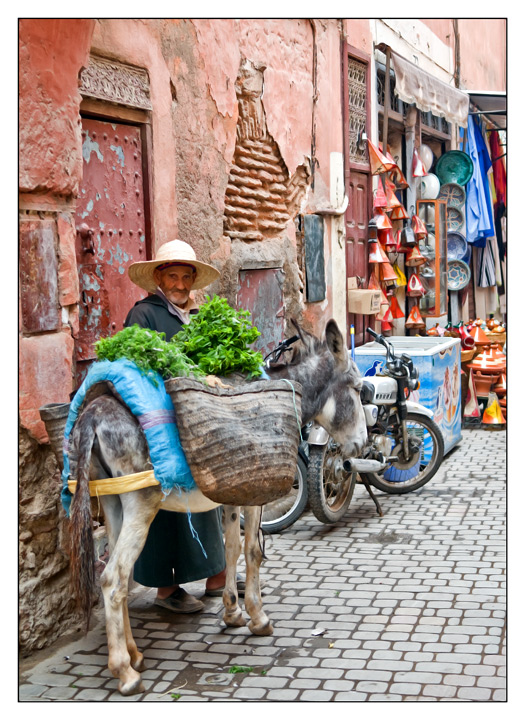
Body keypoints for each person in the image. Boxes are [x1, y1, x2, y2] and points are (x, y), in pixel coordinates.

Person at [125, 239, 243, 612]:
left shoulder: (197, 315)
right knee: (161, 501)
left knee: (203, 494)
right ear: (159, 277)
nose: (179, 284)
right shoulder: (143, 314)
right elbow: (137, 371)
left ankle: (215, 573)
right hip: (157, 425)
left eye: (185, 277)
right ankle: (166, 588)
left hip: (193, 421)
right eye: (172, 276)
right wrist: (193, 377)